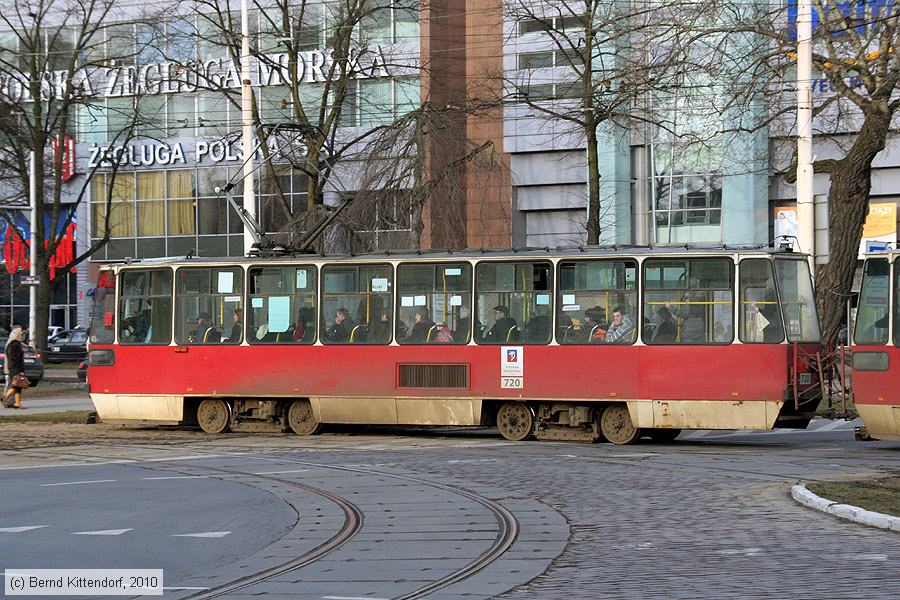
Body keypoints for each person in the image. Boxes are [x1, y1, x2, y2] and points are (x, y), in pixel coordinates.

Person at [2, 326, 27, 409]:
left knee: (17, 385)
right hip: (16, 367)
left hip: (14, 367)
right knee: (16, 385)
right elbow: (13, 356)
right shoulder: (14, 344)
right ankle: (6, 398)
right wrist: (20, 356)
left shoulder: (13, 344)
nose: (22, 336)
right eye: (20, 335)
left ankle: (17, 403)